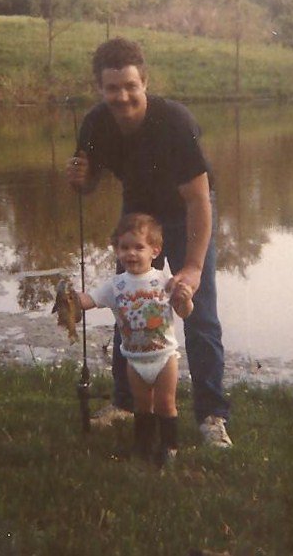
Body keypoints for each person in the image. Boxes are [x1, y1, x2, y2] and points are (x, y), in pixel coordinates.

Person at [66, 37, 232, 448]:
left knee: (199, 313)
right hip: (138, 214)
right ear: (99, 89)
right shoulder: (94, 123)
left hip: (185, 211)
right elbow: (88, 186)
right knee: (129, 305)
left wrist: (191, 267)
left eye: (130, 86)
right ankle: (125, 401)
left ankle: (212, 416)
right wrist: (80, 179)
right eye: (111, 89)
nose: (121, 97)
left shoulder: (175, 122)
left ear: (145, 82)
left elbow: (199, 199)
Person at [78, 213, 193, 464]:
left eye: (138, 247)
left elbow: (184, 312)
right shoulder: (115, 285)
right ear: (116, 251)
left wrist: (185, 299)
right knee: (142, 406)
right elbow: (88, 301)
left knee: (165, 403)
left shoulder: (165, 280)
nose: (131, 253)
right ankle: (142, 445)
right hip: (134, 360)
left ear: (155, 250)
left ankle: (169, 447)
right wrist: (70, 297)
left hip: (164, 357)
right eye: (124, 247)